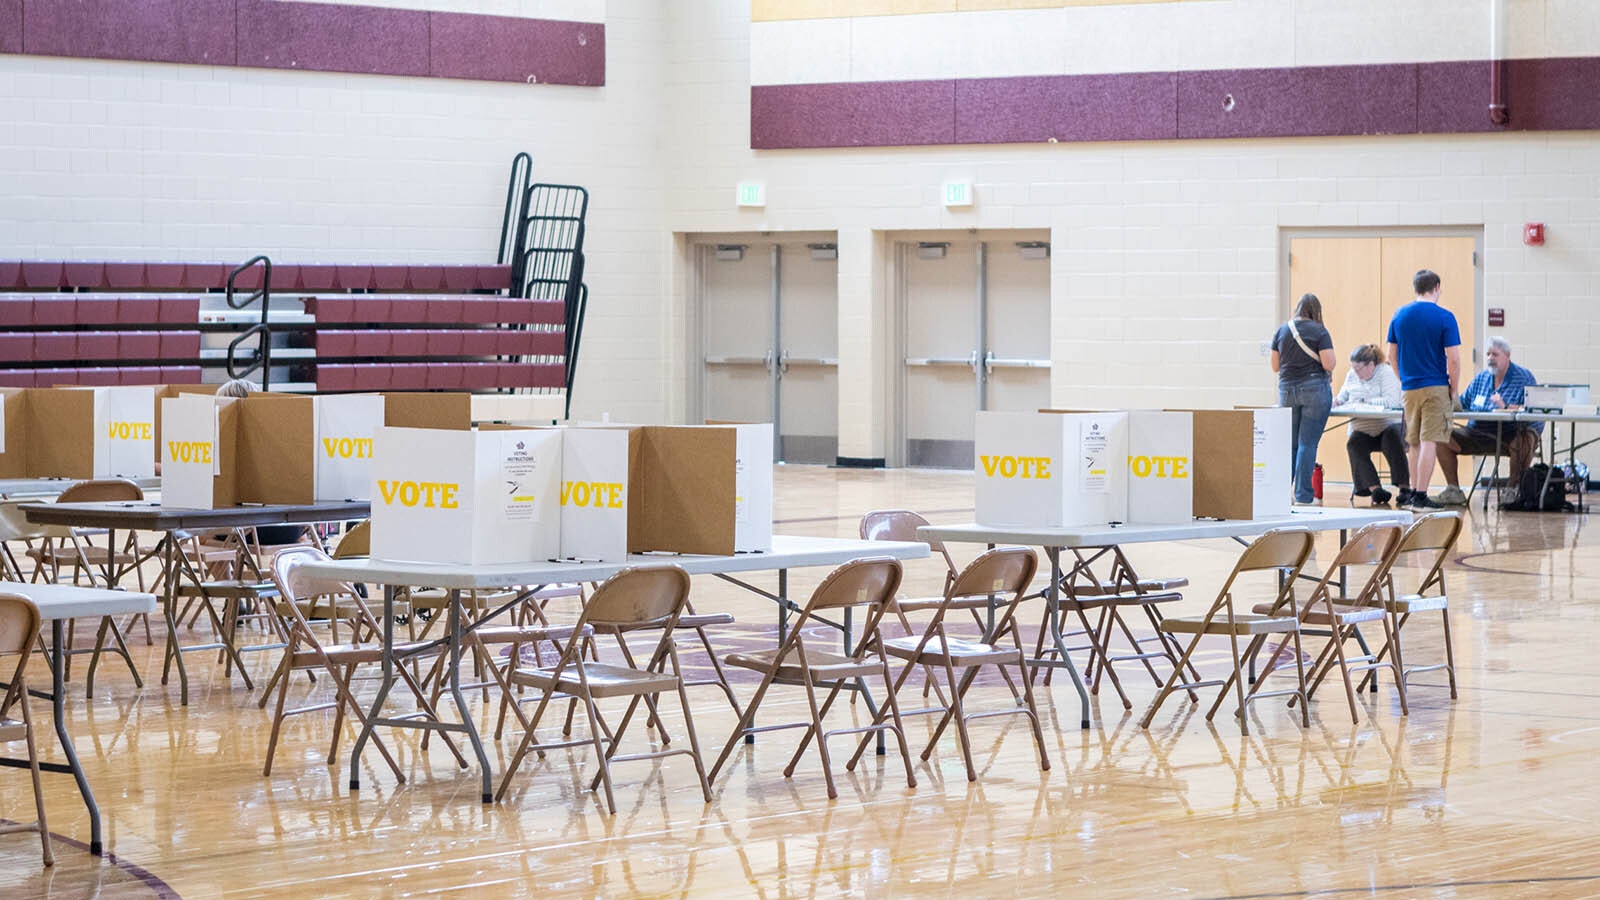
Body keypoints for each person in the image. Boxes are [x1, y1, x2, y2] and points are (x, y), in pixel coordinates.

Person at [1434, 337, 1542, 507]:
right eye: (1488, 354)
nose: (1490, 358)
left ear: (1507, 356)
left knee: (1526, 438)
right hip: (1476, 434)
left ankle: (1513, 488)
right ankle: (1454, 490)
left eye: (1495, 354)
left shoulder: (1524, 377)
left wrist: (1506, 406)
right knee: (1439, 435)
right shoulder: (1481, 378)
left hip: (1509, 436)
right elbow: (1462, 403)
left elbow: (1533, 409)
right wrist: (1447, 397)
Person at [1385, 269, 1460, 510]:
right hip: (1435, 385)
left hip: (1409, 387)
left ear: (1415, 288)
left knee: (1414, 442)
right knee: (1430, 440)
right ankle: (1421, 495)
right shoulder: (1444, 317)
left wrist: (1403, 379)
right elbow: (1454, 359)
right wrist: (1454, 389)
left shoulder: (1399, 316)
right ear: (1437, 287)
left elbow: (1390, 355)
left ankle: (1410, 494)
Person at [1270, 293, 1336, 505]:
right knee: (1307, 443)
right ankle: (1303, 495)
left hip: (1287, 389)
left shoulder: (1281, 330)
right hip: (1314, 389)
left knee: (1290, 445)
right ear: (1316, 312)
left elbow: (1275, 366)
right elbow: (1329, 363)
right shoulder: (1319, 331)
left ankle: (1281, 493)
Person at [1333, 344, 1409, 506]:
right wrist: (1336, 402)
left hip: (1388, 426)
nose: (1356, 373)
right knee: (1354, 444)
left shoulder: (1386, 373)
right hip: (1363, 428)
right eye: (1353, 368)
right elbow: (1342, 396)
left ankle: (1404, 487)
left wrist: (1364, 401)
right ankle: (1375, 489)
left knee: (1392, 439)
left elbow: (1392, 401)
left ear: (1371, 365)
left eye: (1359, 369)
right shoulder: (1352, 375)